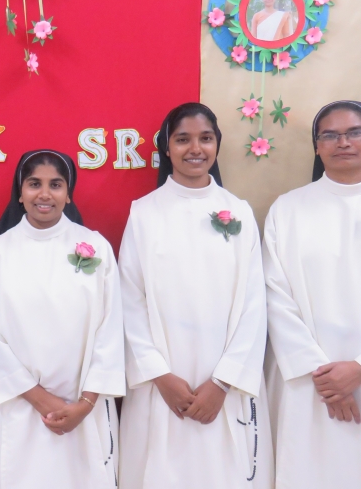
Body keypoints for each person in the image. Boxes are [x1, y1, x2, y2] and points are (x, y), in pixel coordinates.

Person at [264, 101, 361, 488]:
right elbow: (273, 298)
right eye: (330, 135)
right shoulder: (287, 210)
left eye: (355, 132)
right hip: (306, 384)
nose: (343, 142)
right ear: (317, 147)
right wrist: (325, 378)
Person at [117, 103, 273, 489]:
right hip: (161, 386)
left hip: (225, 387)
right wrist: (160, 375)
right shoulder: (143, 214)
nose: (195, 149)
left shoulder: (237, 212)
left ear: (217, 145)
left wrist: (223, 382)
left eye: (205, 138)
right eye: (182, 139)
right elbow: (128, 301)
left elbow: (255, 306)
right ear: (165, 148)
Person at [0, 150, 125, 489]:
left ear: (69, 194)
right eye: (34, 183)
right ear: (19, 193)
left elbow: (110, 330)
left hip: (83, 409)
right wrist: (41, 400)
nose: (44, 194)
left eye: (56, 184)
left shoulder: (96, 248)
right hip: (17, 407)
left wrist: (85, 403)